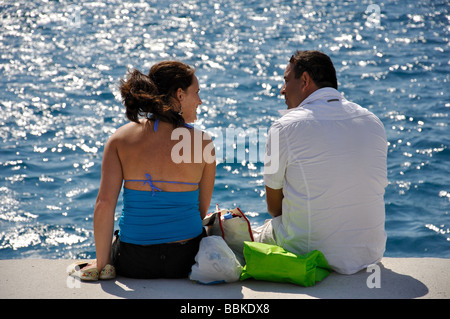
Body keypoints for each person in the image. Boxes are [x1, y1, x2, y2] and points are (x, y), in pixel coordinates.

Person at [258, 50, 388, 275]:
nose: (282, 89)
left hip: (308, 252)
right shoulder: (372, 121)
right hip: (368, 255)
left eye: (287, 81)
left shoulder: (283, 127)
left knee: (231, 233)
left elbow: (274, 208)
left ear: (305, 81)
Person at [84, 61, 216, 279]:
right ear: (180, 95)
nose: (200, 101)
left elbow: (104, 204)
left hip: (134, 261)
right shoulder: (203, 143)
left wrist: (103, 263)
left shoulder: (120, 139)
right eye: (197, 93)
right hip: (185, 259)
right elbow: (200, 211)